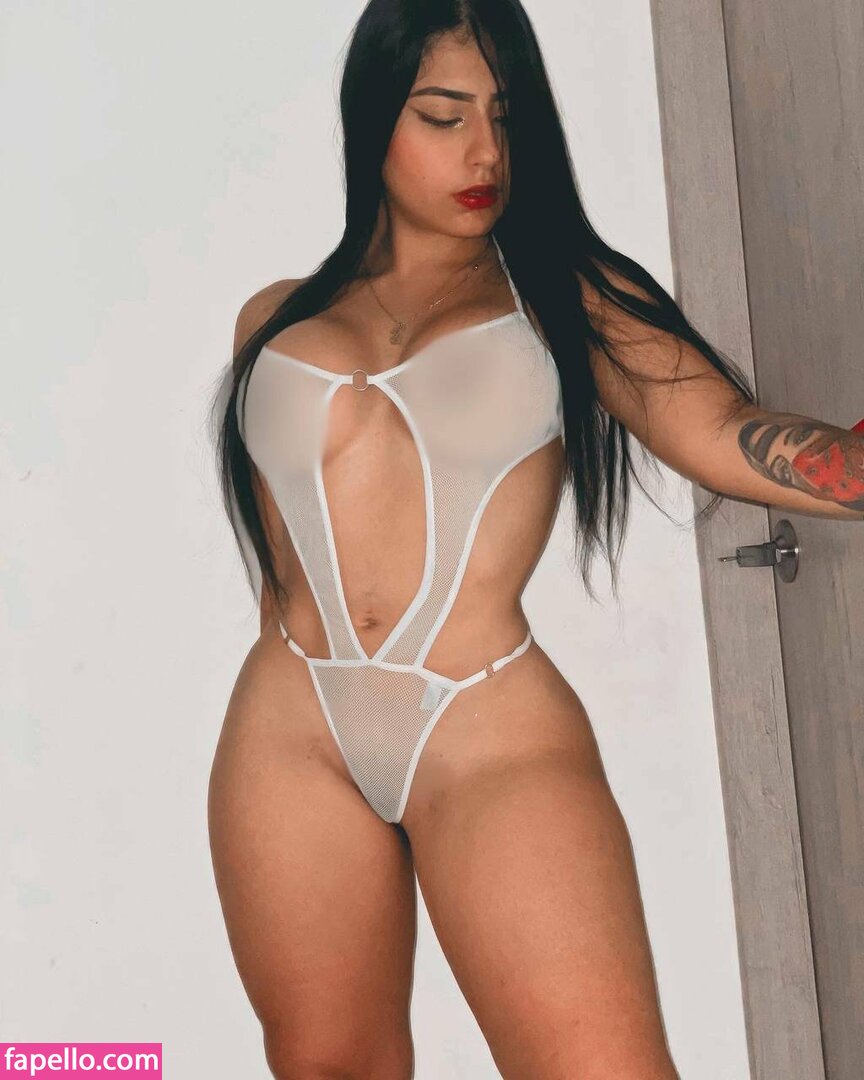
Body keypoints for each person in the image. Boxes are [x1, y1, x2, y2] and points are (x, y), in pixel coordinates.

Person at [206, 3, 864, 1077]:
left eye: (505, 118)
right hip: (291, 728)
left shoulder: (572, 299)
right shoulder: (273, 319)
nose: (484, 153)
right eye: (444, 116)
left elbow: (730, 437)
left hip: (484, 727)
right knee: (327, 1067)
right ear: (374, 118)